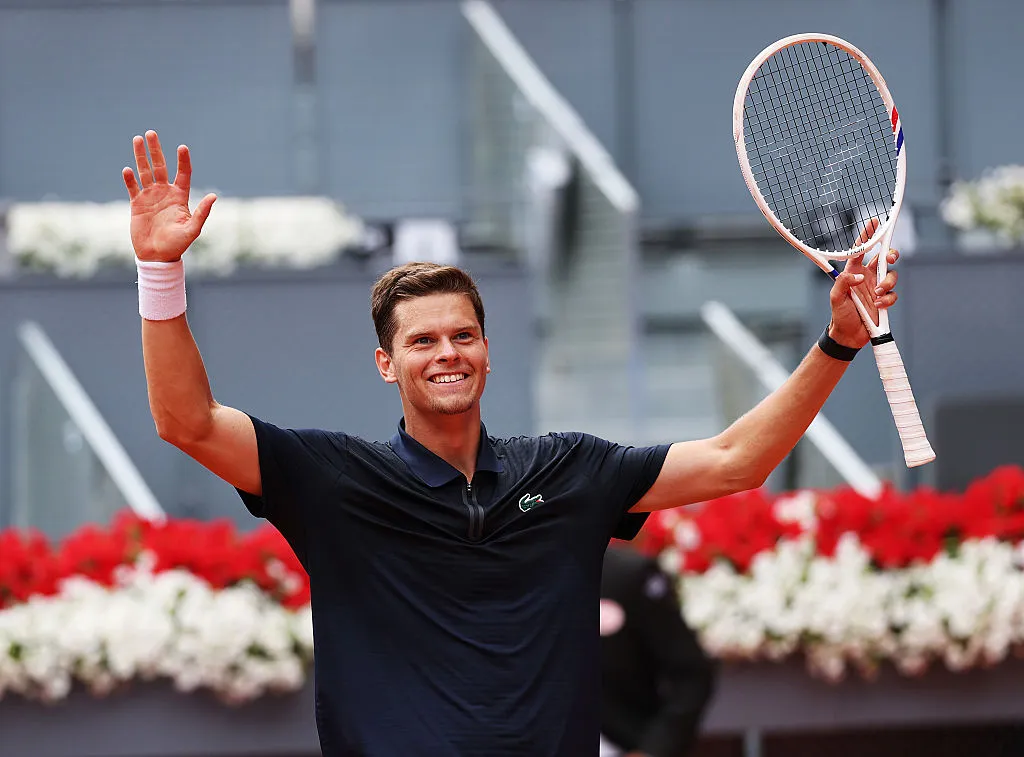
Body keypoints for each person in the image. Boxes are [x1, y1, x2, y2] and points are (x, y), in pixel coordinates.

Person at [122, 130, 900, 757]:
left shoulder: (569, 469)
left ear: (489, 351)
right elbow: (186, 421)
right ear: (386, 365)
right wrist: (161, 272)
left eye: (464, 334)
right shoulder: (334, 478)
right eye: (422, 341)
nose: (448, 352)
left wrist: (836, 340)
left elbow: (738, 461)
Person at [598, 543, 716, 757]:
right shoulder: (519, 576)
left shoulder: (627, 575)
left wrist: (652, 750)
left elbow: (691, 673)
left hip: (620, 743)